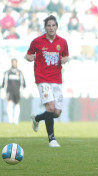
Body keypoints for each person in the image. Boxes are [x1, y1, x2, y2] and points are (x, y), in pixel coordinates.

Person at [26, 15, 69, 147]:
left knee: (56, 112)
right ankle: (52, 139)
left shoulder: (62, 42)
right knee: (50, 107)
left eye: (53, 25)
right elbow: (28, 55)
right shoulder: (37, 41)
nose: (51, 28)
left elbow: (66, 56)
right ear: (45, 28)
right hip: (42, 78)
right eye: (48, 25)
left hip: (56, 79)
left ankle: (37, 118)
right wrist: (29, 57)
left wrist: (64, 60)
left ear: (56, 27)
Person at [1, 58, 26, 125]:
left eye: (15, 62)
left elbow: (23, 82)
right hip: (10, 91)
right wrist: (3, 90)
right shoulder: (7, 72)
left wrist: (23, 89)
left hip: (17, 92)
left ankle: (15, 120)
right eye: (13, 62)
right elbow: (4, 82)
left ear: (17, 63)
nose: (14, 64)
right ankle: (10, 120)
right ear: (11, 63)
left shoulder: (20, 73)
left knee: (17, 105)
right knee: (9, 104)